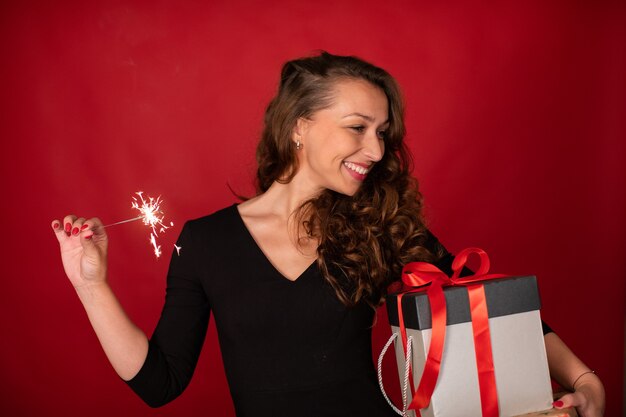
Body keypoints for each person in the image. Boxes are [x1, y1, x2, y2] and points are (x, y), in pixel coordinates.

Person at [51, 52, 605, 417]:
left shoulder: (381, 225)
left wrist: (584, 379)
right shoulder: (205, 242)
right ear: (299, 125)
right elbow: (159, 383)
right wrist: (89, 283)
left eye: (383, 132)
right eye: (358, 128)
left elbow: (488, 307)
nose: (377, 150)